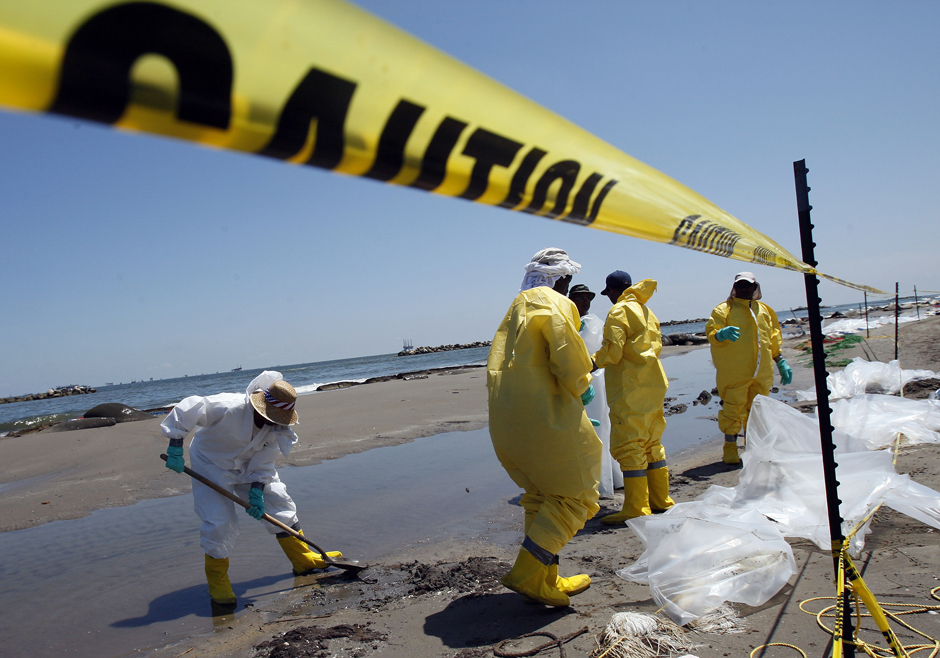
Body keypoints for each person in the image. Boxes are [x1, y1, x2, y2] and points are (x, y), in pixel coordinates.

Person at [161, 371, 342, 607]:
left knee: (278, 500)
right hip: (211, 464)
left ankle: (303, 558)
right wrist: (176, 445)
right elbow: (188, 408)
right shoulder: (229, 407)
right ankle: (218, 581)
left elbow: (263, 463)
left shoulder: (278, 428)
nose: (273, 422)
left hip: (249, 466)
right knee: (219, 520)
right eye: (271, 416)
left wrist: (257, 491)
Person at [488, 248, 601, 607]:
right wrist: (583, 386)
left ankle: (545, 578)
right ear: (561, 279)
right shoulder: (554, 303)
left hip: (508, 421)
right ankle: (526, 573)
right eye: (568, 281)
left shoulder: (515, 308)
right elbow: (568, 357)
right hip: (545, 418)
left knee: (541, 498)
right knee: (575, 497)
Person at [591, 270, 675, 525]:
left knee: (630, 443)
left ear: (613, 291)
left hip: (630, 387)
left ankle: (637, 506)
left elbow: (613, 350)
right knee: (651, 441)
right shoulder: (646, 311)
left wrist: (590, 362)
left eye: (608, 293)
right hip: (653, 383)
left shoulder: (619, 311)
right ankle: (660, 500)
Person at [706, 272, 792, 465]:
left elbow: (773, 338)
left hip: (762, 372)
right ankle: (730, 448)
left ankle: (754, 448)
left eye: (748, 285)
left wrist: (780, 361)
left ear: (755, 287)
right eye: (740, 285)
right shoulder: (723, 310)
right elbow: (711, 333)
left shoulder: (765, 311)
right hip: (734, 371)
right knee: (732, 409)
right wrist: (720, 334)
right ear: (735, 288)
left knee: (757, 410)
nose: (744, 288)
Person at [569, 283, 624, 499]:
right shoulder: (569, 321)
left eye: (587, 298)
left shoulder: (594, 323)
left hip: (596, 380)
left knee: (600, 427)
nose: (584, 302)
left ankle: (605, 480)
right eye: (579, 298)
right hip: (578, 381)